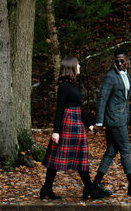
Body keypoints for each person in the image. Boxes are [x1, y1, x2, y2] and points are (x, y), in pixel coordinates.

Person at [41, 57, 108, 200]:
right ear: (71, 67)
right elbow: (59, 109)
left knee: (81, 158)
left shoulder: (74, 85)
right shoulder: (64, 87)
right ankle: (47, 188)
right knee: (56, 158)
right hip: (67, 123)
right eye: (77, 64)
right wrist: (56, 131)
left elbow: (80, 106)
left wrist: (89, 125)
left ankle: (88, 189)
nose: (79, 66)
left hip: (77, 123)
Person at [93, 49, 131, 196]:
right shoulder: (110, 77)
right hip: (114, 119)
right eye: (117, 61)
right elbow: (102, 99)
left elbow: (124, 98)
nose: (119, 63)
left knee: (111, 151)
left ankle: (95, 184)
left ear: (128, 60)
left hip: (121, 117)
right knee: (125, 149)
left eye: (122, 61)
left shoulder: (126, 75)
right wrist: (99, 122)